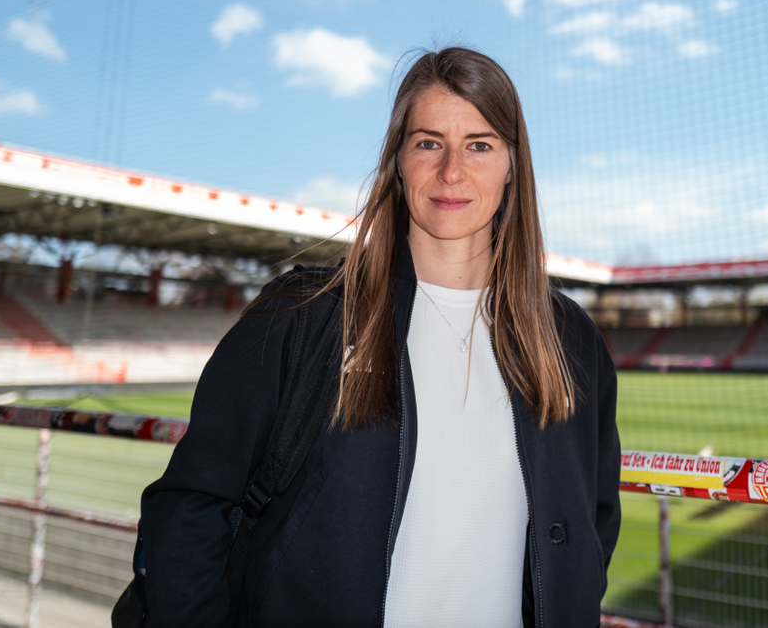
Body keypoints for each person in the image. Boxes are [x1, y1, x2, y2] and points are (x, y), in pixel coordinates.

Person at [141, 46, 621, 628]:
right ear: (397, 160)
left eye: (480, 144)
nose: (452, 171)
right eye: (427, 143)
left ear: (513, 165)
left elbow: (592, 524)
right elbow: (191, 507)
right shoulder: (305, 315)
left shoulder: (571, 340)